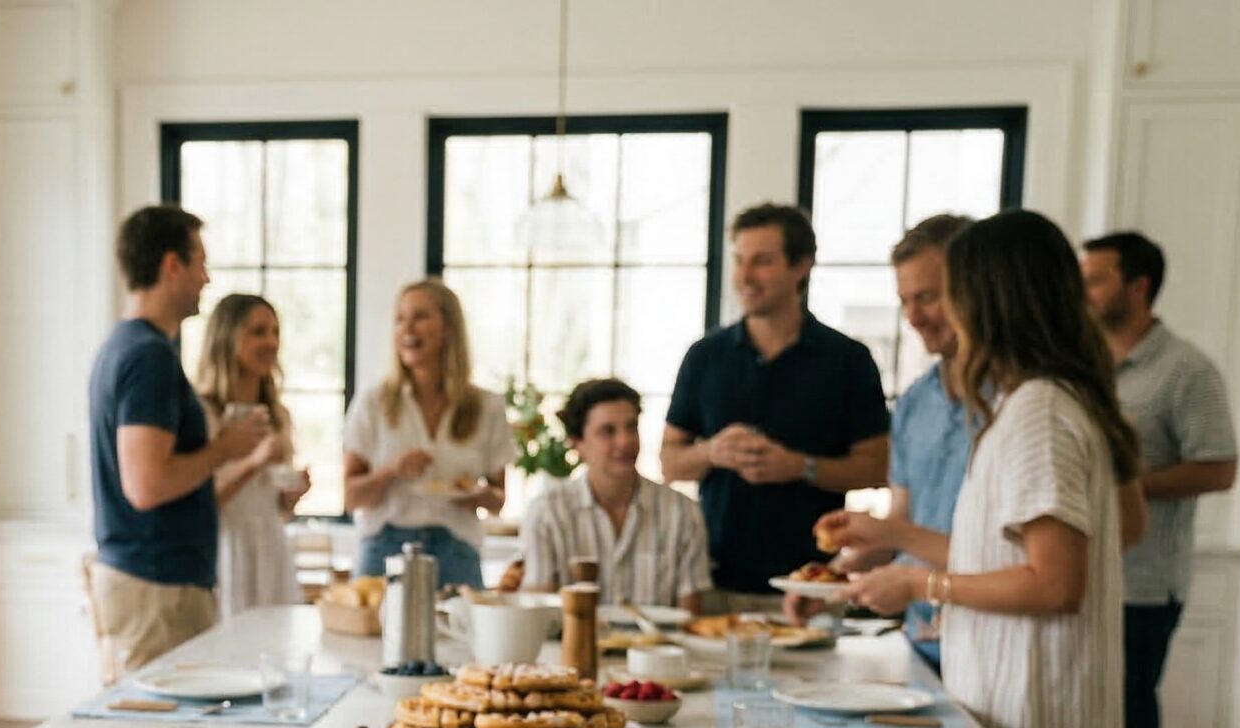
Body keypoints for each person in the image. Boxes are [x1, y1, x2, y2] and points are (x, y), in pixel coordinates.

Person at [836, 209, 1146, 728]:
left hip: (1033, 709)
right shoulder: (1034, 402)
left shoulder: (1040, 413)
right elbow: (995, 555)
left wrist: (919, 584)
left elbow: (1055, 583)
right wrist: (895, 548)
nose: (940, 314)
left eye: (949, 294)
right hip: (1013, 704)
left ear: (989, 300)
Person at [1082, 231, 1238, 728]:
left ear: (1138, 286)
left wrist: (1121, 482)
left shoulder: (1186, 370)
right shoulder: (1083, 359)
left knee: (1129, 722)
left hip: (1145, 582)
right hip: (1085, 575)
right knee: (1089, 723)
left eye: (1096, 279)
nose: (1083, 291)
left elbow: (1219, 467)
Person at [661, 203, 890, 610]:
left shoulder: (848, 360)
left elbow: (878, 468)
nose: (744, 276)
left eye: (762, 262)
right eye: (739, 261)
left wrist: (800, 466)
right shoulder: (704, 356)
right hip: (714, 586)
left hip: (812, 590)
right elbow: (670, 463)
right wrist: (712, 452)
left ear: (801, 266)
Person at [85, 205, 268, 683]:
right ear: (172, 266)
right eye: (200, 263)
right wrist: (225, 448)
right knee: (163, 720)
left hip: (150, 579)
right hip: (157, 586)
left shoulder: (125, 346)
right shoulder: (149, 357)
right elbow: (147, 485)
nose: (206, 278)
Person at [791, 214, 978, 670]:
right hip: (921, 638)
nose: (913, 317)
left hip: (987, 641)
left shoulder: (1016, 402)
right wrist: (831, 581)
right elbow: (901, 525)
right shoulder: (915, 402)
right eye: (905, 301)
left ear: (973, 289)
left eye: (927, 298)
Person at [344, 279, 513, 588]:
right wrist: (392, 471)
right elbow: (351, 496)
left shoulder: (486, 406)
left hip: (457, 551)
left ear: (448, 328)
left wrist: (475, 495)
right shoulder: (373, 403)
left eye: (420, 316)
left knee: (463, 623)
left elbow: (498, 500)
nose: (407, 328)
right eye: (400, 319)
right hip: (384, 549)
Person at [516, 377, 709, 613]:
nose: (625, 441)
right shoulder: (547, 513)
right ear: (577, 444)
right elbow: (537, 610)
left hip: (659, 640)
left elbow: (689, 618)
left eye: (631, 427)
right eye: (608, 431)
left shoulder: (683, 512)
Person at [193, 294, 309, 616]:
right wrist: (254, 463)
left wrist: (292, 496)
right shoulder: (203, 414)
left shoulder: (278, 415)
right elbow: (203, 504)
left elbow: (276, 508)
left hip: (272, 551)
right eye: (258, 332)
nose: (271, 342)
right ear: (226, 338)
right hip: (226, 553)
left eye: (275, 332)